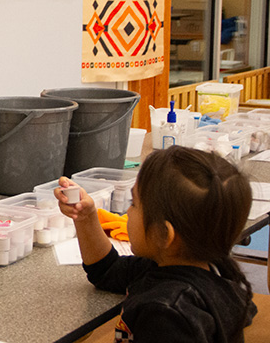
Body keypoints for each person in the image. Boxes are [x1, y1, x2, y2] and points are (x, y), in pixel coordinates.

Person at [55, 146, 257, 343]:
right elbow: (107, 271)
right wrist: (86, 218)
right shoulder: (205, 272)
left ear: (165, 235)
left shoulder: (164, 315)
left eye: (134, 204)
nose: (127, 213)